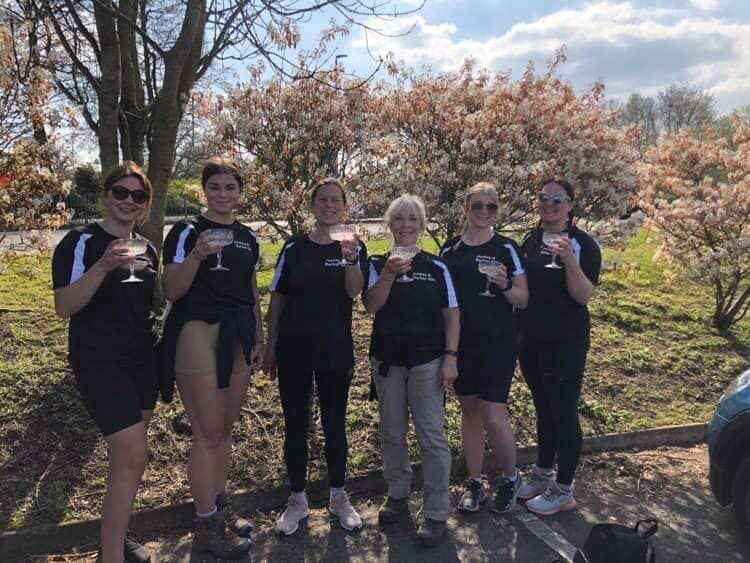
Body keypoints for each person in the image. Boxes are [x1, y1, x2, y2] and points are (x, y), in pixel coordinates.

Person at [52, 162, 157, 563]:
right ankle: (111, 555)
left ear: (145, 204)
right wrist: (103, 266)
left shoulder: (147, 247)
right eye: (121, 193)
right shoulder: (80, 242)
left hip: (141, 362)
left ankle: (115, 538)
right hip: (99, 361)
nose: (128, 201)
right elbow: (65, 306)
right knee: (132, 455)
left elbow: (146, 305)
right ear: (106, 195)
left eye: (138, 195)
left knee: (127, 459)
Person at [161, 157, 262, 559]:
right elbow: (171, 289)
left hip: (238, 332)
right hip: (197, 329)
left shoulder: (247, 237)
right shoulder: (186, 231)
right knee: (206, 431)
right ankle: (204, 524)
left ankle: (218, 506)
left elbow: (251, 290)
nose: (223, 194)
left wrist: (259, 335)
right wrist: (197, 256)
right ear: (205, 190)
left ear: (240, 193)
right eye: (216, 187)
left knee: (225, 428)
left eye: (231, 188)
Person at [264, 178, 367, 536]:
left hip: (335, 348)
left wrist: (351, 260)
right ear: (313, 205)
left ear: (344, 206)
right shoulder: (294, 247)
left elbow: (355, 292)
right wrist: (270, 343)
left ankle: (338, 496)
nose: (328, 205)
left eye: (335, 200)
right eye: (321, 199)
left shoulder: (354, 245)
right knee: (295, 425)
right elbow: (277, 296)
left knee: (335, 423)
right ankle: (297, 499)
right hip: (294, 348)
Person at [364, 194, 459, 547]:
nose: (405, 225)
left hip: (428, 361)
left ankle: (436, 512)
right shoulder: (376, 263)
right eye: (399, 219)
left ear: (421, 225)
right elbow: (371, 306)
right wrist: (389, 273)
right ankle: (398, 495)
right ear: (389, 224)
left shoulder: (437, 268)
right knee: (391, 432)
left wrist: (451, 357)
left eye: (412, 220)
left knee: (431, 436)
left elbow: (452, 314)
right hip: (388, 361)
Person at [439, 182, 529, 514]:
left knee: (493, 412)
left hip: (498, 343)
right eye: (478, 206)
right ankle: (475, 483)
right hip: (461, 345)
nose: (484, 213)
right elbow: (444, 301)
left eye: (491, 207)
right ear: (465, 208)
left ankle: (510, 478)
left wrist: (504, 284)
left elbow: (523, 298)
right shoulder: (449, 251)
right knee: (470, 411)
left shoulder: (507, 247)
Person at [517, 179, 601, 516]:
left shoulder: (584, 245)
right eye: (543, 198)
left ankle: (564, 489)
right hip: (531, 339)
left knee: (563, 411)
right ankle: (542, 472)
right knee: (544, 407)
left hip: (565, 341)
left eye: (557, 199)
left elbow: (583, 295)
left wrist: (568, 260)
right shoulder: (530, 240)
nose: (548, 203)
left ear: (569, 206)